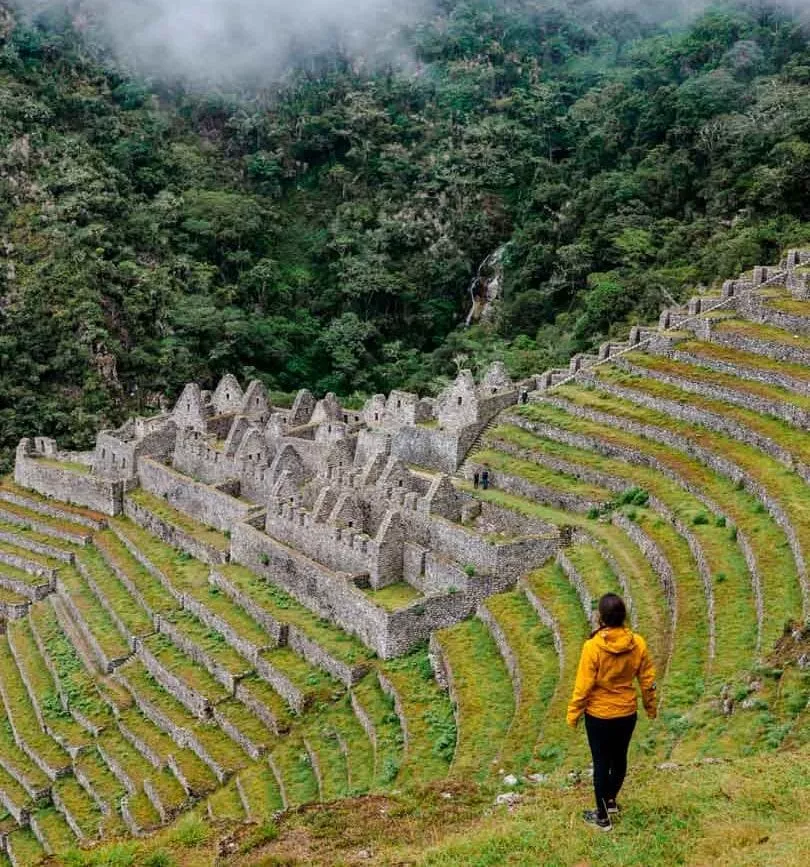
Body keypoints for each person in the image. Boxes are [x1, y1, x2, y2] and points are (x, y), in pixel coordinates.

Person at [566, 593, 657, 831]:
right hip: (626, 713)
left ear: (601, 618)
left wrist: (573, 713)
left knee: (601, 763)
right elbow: (647, 680)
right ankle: (611, 800)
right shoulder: (637, 643)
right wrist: (650, 705)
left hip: (600, 716)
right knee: (619, 759)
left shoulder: (593, 647)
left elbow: (583, 685)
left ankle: (602, 818)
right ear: (624, 616)